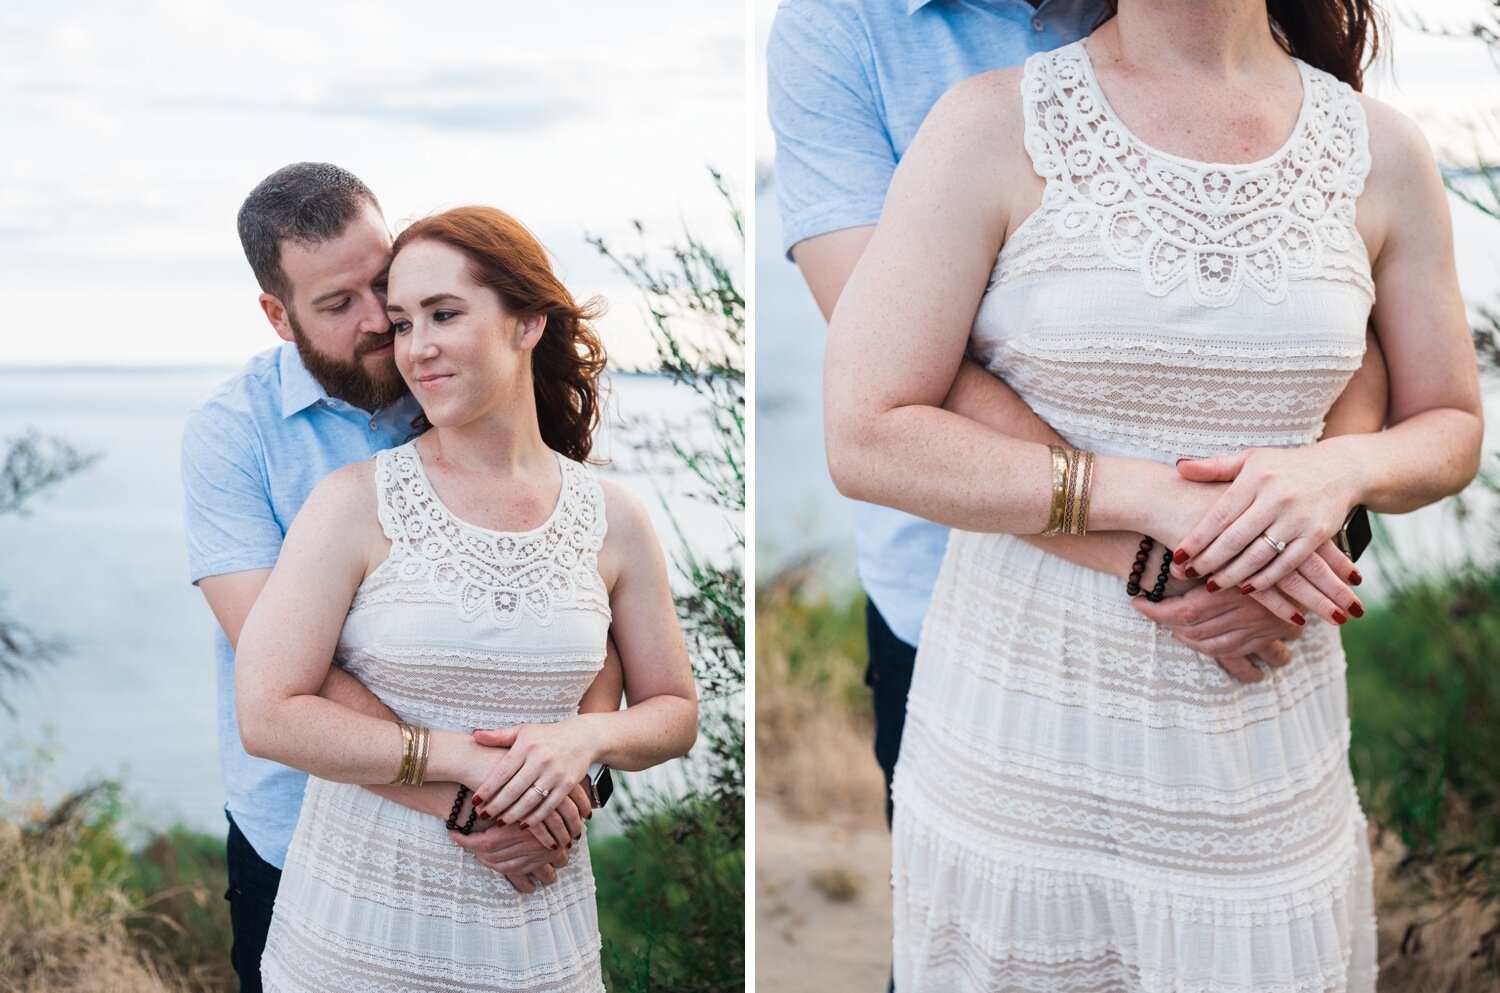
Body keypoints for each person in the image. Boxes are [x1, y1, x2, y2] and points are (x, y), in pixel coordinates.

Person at [822, 0, 1482, 988]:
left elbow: (1451, 425)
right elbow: (868, 430)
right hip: (1024, 735)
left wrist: (1338, 473)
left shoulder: (1381, 150)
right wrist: (1158, 510)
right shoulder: (988, 124)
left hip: (1261, 739)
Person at [767, 0, 1392, 834]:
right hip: (972, 604)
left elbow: (1348, 308)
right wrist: (1175, 551)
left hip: (1258, 614)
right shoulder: (840, 25)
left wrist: (1314, 526)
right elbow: (901, 366)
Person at [234, 205, 699, 992]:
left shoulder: (614, 517)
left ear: (528, 323)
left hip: (537, 938)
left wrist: (581, 749)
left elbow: (674, 711)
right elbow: (267, 710)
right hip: (356, 940)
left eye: (445, 315)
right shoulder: (352, 502)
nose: (418, 347)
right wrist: (457, 764)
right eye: (406, 322)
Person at [182, 163, 611, 993]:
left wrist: (574, 786)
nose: (385, 322)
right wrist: (473, 804)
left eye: (384, 283)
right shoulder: (232, 435)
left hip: (522, 846)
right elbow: (285, 668)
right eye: (339, 305)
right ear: (279, 316)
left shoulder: (470, 384)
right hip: (305, 840)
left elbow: (583, 610)